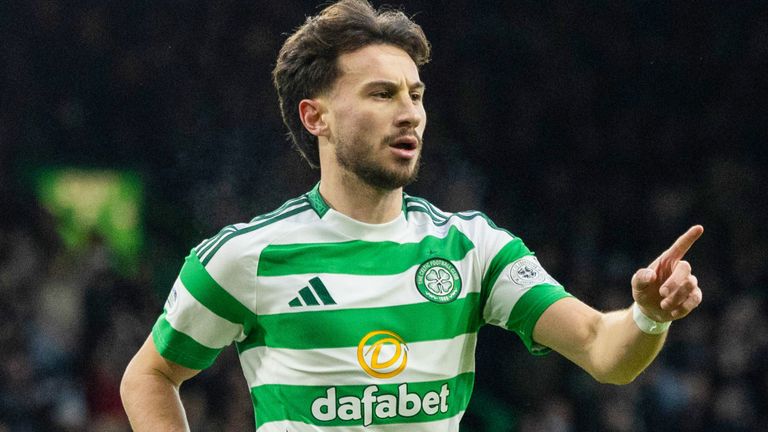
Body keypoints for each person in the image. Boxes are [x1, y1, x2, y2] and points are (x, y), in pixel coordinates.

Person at [120, 0, 704, 430]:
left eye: (416, 94)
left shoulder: (474, 249)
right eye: (382, 94)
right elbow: (148, 375)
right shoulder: (247, 255)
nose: (411, 115)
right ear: (315, 116)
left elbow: (605, 351)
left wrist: (647, 316)